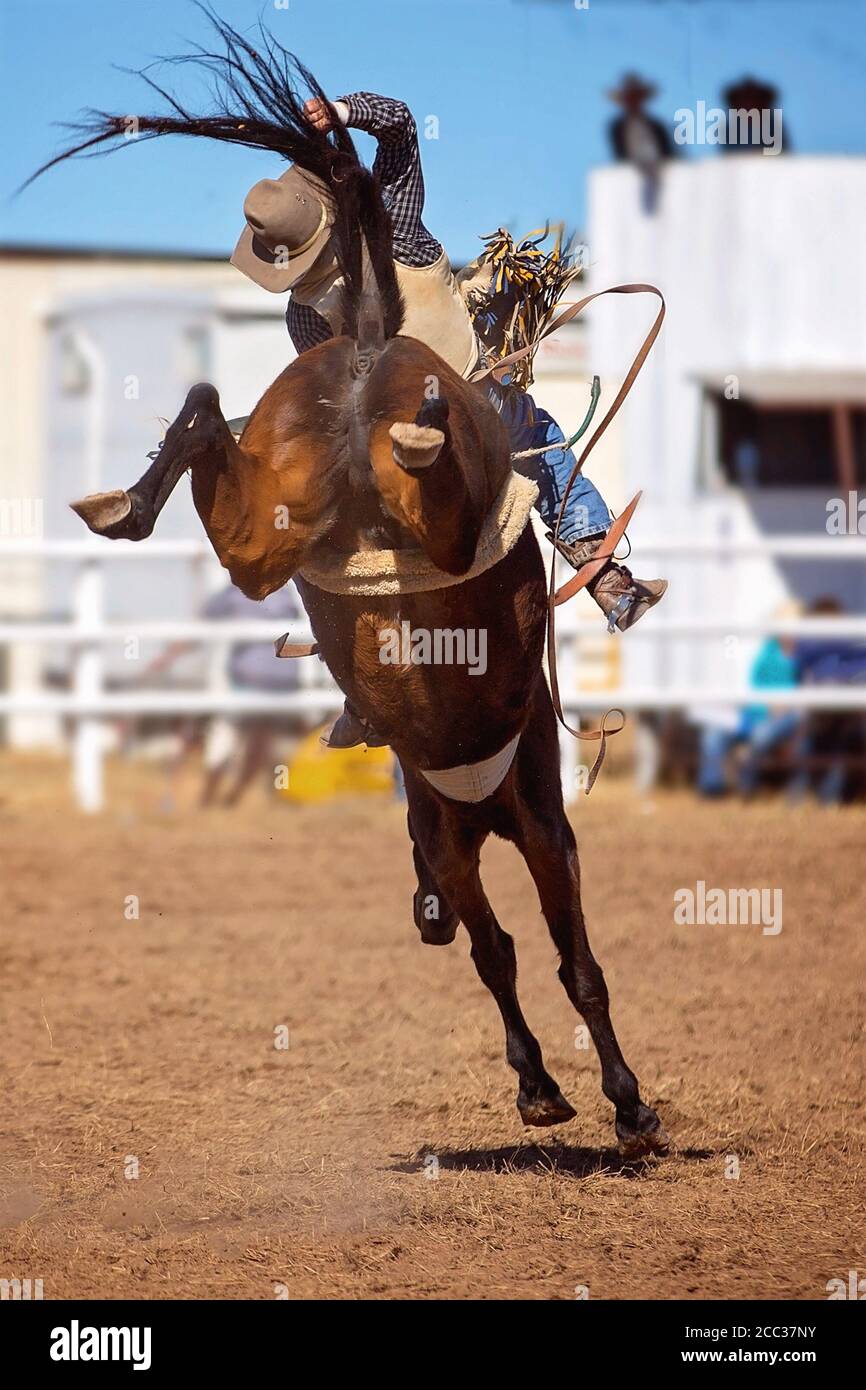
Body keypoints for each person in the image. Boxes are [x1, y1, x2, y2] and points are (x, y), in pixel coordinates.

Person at [229, 90, 668, 746]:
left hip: (381, 454)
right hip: (475, 406)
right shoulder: (396, 235)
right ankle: (603, 575)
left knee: (306, 516)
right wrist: (345, 113)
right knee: (539, 440)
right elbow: (401, 129)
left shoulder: (302, 316)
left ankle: (357, 688)